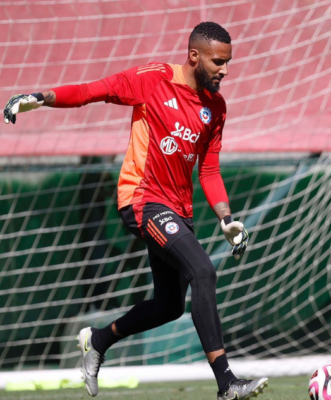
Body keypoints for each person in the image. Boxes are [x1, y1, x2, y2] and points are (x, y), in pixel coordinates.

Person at [3, 21, 268, 400]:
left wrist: (226, 218)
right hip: (141, 200)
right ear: (194, 56)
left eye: (227, 62)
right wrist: (39, 97)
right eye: (217, 62)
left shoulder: (216, 107)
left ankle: (97, 341)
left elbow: (209, 169)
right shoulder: (152, 79)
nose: (224, 70)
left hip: (179, 210)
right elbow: (91, 91)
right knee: (203, 271)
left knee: (168, 306)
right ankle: (227, 383)